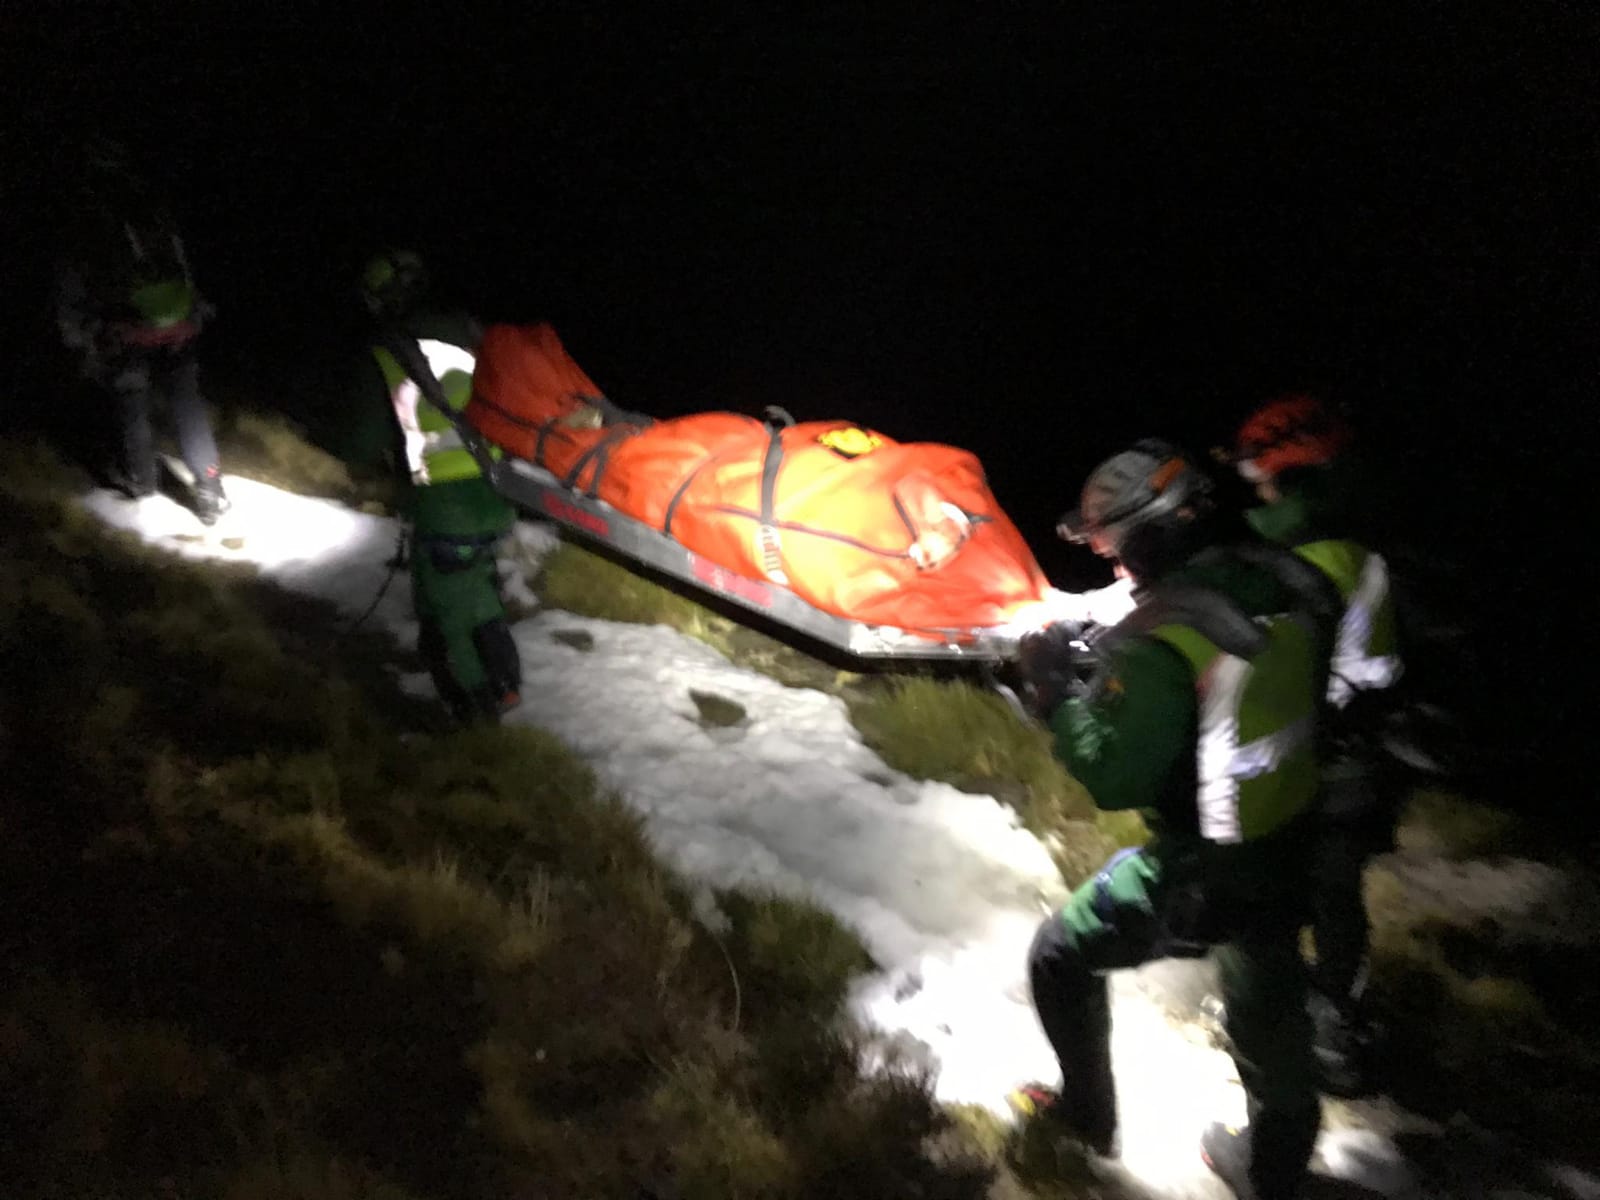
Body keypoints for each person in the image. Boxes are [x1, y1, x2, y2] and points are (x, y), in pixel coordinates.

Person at [1012, 438, 1326, 1200]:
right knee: (1272, 1025)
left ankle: (1087, 1117)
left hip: (1202, 869)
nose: (1113, 560)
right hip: (1295, 842)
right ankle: (1276, 1174)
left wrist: (1056, 693)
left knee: (1058, 954)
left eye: (1113, 542)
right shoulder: (1278, 574)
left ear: (1151, 532)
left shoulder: (1165, 634)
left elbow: (1113, 771)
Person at [1229, 393, 1404, 1096]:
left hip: (1299, 767)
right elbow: (1382, 668)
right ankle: (1338, 1022)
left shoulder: (1281, 564)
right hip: (1357, 764)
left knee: (1268, 899)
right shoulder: (1365, 559)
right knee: (1337, 901)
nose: (1255, 488)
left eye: (1257, 474)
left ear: (1284, 475)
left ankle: (1290, 1046)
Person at [360, 248, 522, 725]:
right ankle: (505, 682)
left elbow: (362, 440)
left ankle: (476, 704)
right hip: (498, 493)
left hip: (443, 506)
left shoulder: (387, 352)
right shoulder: (474, 332)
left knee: (450, 612)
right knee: (470, 590)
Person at [53, 137, 230, 524]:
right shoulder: (149, 204)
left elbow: (73, 282)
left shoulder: (84, 215)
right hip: (178, 323)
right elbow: (179, 260)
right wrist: (193, 310)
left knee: (131, 400)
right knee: (187, 402)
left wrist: (78, 336)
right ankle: (210, 486)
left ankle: (142, 484)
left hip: (127, 329)